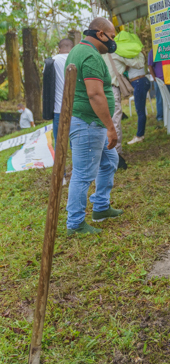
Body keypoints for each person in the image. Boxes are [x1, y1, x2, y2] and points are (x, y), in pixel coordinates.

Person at [65, 17, 122, 236]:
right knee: (83, 174)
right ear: (100, 34)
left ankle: (100, 207)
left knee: (109, 161)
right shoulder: (89, 55)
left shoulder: (80, 50)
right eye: (112, 37)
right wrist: (110, 126)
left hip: (90, 122)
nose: (113, 42)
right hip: (88, 123)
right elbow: (95, 93)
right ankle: (75, 224)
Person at [104, 31, 145, 168]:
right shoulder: (116, 51)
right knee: (114, 120)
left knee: (102, 122)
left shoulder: (100, 51)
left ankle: (105, 153)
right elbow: (138, 64)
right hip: (111, 89)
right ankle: (115, 154)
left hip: (97, 89)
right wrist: (139, 50)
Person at [42, 38, 74, 146]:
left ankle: (58, 163)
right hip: (76, 109)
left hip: (59, 109)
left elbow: (46, 82)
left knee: (59, 142)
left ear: (59, 48)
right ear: (72, 48)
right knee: (76, 143)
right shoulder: (76, 59)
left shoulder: (52, 61)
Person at [120, 35, 149, 145]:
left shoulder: (134, 54)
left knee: (140, 111)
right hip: (140, 82)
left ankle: (140, 135)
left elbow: (126, 67)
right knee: (140, 110)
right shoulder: (137, 54)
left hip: (139, 82)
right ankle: (140, 134)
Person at [147, 48, 167, 125]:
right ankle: (160, 117)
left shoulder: (169, 48)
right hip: (159, 80)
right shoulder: (153, 51)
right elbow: (150, 66)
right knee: (160, 99)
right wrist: (154, 78)